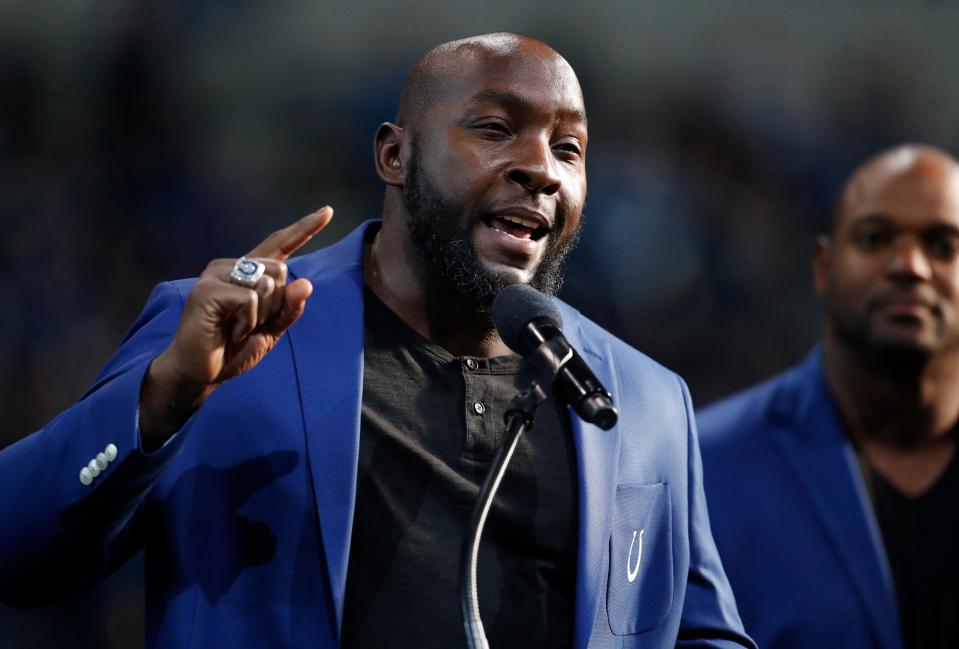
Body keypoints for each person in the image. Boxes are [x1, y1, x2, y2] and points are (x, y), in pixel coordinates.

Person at [0, 33, 753, 648]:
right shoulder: (228, 336)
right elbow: (18, 550)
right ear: (394, 155)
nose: (540, 169)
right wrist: (162, 398)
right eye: (495, 129)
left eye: (570, 148)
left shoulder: (645, 398)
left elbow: (699, 633)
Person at [698, 144, 959, 649]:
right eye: (875, 238)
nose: (909, 266)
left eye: (943, 245)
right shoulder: (706, 467)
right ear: (823, 266)